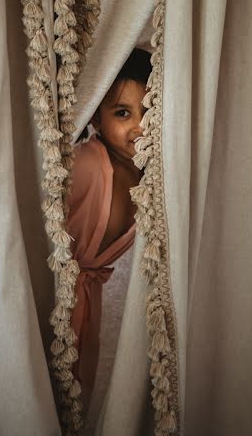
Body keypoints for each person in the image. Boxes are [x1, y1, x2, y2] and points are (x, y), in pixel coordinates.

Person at [67, 47, 152, 431]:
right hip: (58, 297)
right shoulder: (85, 164)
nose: (139, 126)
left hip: (88, 306)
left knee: (75, 401)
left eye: (149, 111)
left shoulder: (148, 180)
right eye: (123, 113)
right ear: (98, 117)